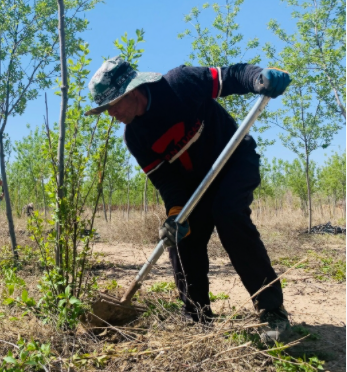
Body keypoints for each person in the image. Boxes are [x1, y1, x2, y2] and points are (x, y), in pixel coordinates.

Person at [85, 57, 291, 342]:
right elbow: (167, 182)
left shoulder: (180, 84)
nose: (111, 113)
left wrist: (259, 78)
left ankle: (272, 310)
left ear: (131, 91)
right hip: (195, 185)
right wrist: (176, 214)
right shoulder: (135, 138)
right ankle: (197, 315)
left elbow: (232, 76)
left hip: (234, 161)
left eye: (113, 104)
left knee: (228, 213)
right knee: (181, 237)